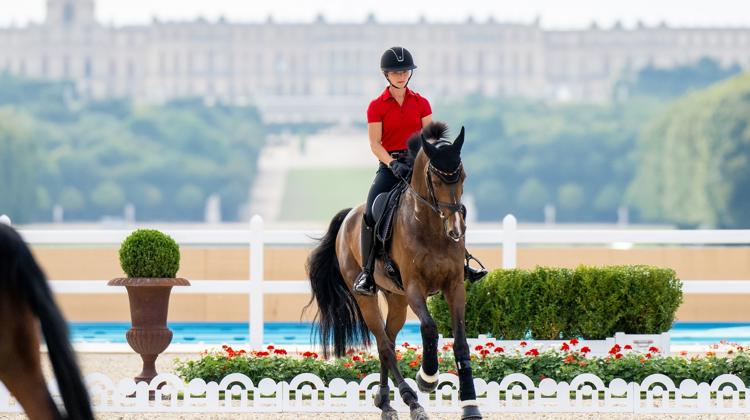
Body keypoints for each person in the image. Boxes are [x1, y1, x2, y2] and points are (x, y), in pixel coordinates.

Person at [353, 46, 487, 296]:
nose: (401, 76)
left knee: (453, 206)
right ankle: (367, 273)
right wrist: (392, 163)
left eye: (404, 71)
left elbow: (431, 140)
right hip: (390, 166)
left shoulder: (421, 103)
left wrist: (426, 161)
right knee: (371, 211)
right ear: (386, 75)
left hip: (419, 166)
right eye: (395, 72)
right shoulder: (376, 106)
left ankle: (463, 262)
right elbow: (375, 143)